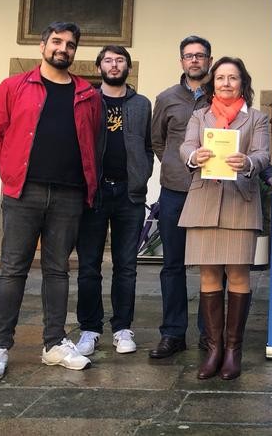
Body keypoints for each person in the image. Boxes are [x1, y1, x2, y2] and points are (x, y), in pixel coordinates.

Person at [0, 21, 101, 381]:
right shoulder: (14, 86)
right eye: (57, 42)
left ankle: (54, 344)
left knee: (58, 270)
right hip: (24, 192)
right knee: (13, 269)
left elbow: (92, 140)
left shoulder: (87, 95)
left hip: (68, 194)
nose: (63, 49)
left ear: (75, 51)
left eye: (70, 44)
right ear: (43, 45)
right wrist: (14, 170)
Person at [179, 56, 270, 380]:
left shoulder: (256, 118)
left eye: (233, 78)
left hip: (239, 202)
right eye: (220, 78)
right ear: (212, 82)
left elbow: (262, 154)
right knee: (208, 277)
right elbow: (185, 146)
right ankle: (214, 348)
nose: (226, 83)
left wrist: (247, 162)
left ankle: (233, 351)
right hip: (204, 201)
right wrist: (194, 155)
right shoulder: (199, 116)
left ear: (243, 82)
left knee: (239, 276)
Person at [75, 45, 154, 356]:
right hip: (94, 194)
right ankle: (90, 329)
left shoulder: (142, 104)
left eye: (120, 60)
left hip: (128, 195)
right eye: (108, 60)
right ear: (99, 67)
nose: (114, 65)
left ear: (127, 67)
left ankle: (122, 328)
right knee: (89, 266)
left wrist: (142, 175)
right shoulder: (86, 99)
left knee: (126, 266)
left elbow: (149, 145)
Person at [149, 35, 212, 358]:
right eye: (189, 56)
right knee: (172, 265)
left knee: (210, 266)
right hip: (174, 190)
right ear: (181, 61)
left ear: (209, 61)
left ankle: (208, 333)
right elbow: (157, 140)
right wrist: (176, 164)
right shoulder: (166, 98)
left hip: (212, 190)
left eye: (200, 55)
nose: (195, 61)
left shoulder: (221, 96)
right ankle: (173, 333)